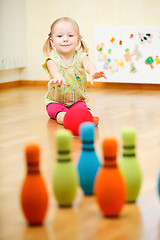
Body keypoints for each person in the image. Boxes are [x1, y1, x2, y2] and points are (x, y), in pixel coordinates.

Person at [43, 17, 107, 125]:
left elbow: (88, 64)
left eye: (70, 35)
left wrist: (92, 71)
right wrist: (57, 77)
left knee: (84, 109)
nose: (65, 39)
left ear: (78, 40)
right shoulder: (52, 60)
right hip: (55, 102)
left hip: (77, 101)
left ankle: (90, 117)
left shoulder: (81, 56)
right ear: (52, 41)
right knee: (59, 113)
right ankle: (67, 119)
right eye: (60, 36)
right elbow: (54, 70)